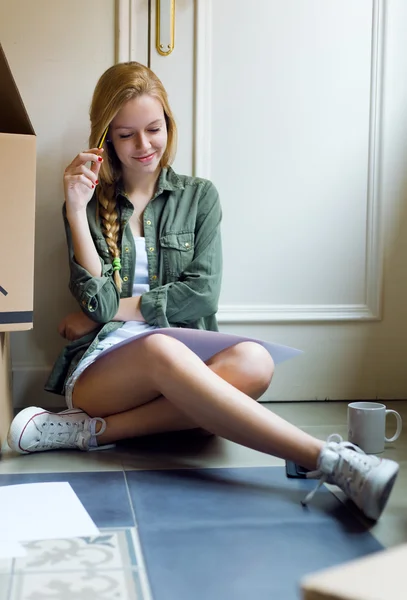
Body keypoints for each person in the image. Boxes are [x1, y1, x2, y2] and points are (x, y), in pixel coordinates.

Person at [7, 62, 398, 521]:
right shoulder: (90, 202)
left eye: (153, 129)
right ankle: (326, 459)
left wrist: (112, 313)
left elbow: (203, 295)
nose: (144, 145)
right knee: (160, 346)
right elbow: (98, 301)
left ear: (168, 125)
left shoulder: (200, 197)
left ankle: (88, 432)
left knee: (256, 361)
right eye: (126, 134)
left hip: (179, 359)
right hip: (106, 371)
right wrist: (75, 210)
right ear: (106, 139)